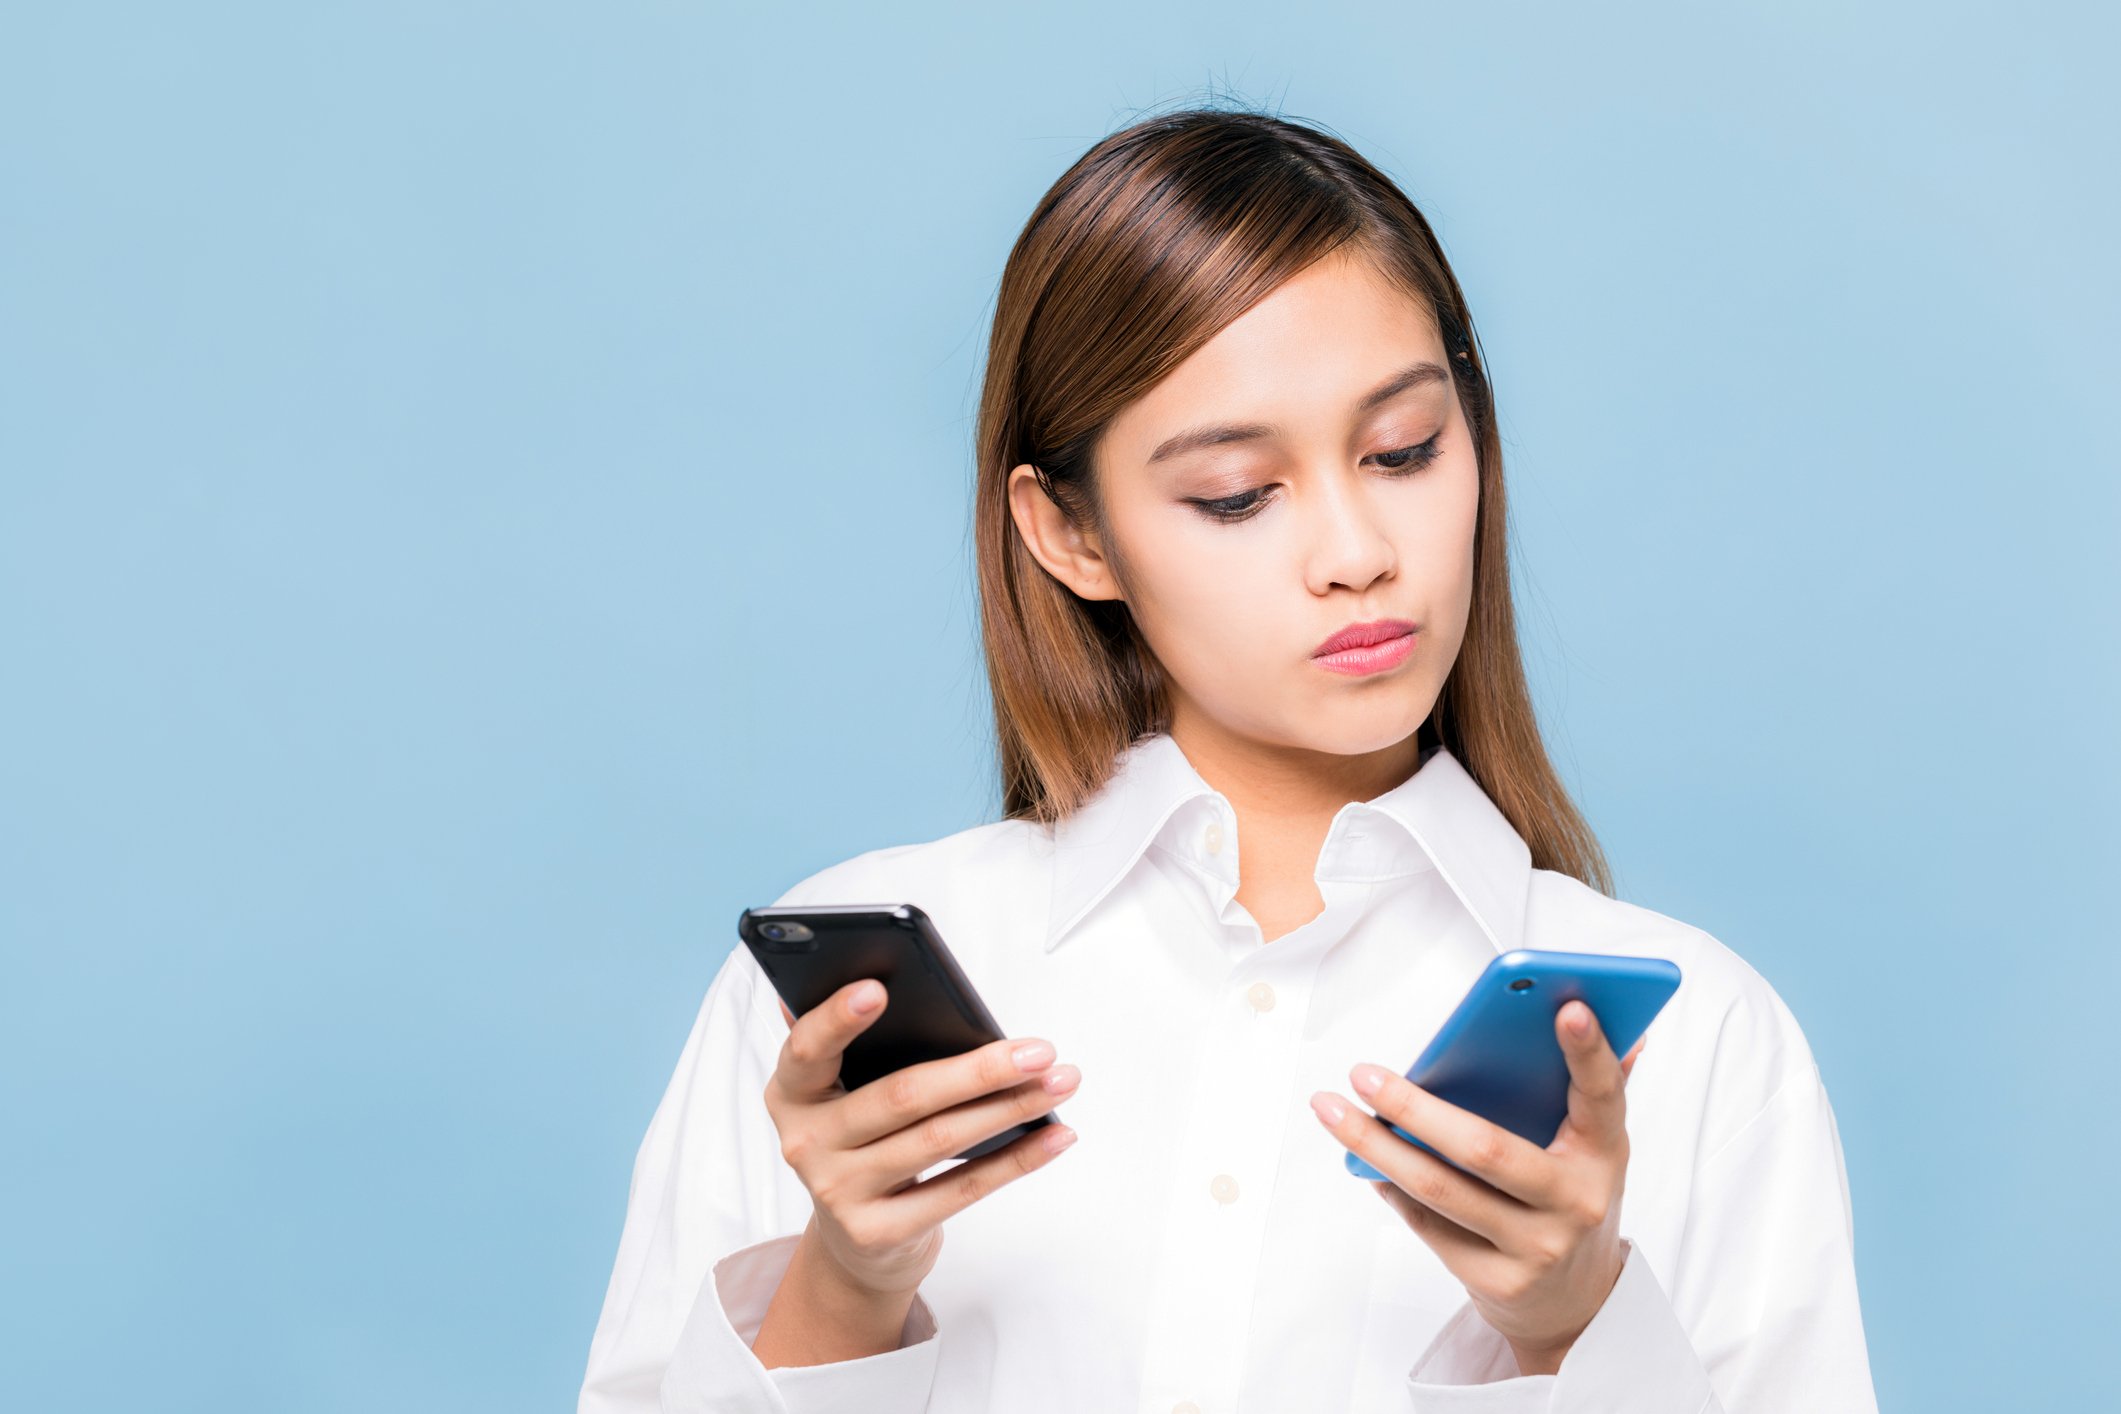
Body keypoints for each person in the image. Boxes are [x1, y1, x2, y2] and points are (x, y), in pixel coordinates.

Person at [576, 105, 1878, 1413]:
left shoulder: (1704, 1045)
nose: (1356, 548)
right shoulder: (839, 1010)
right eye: (1238, 493)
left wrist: (1571, 1334)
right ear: (1069, 532)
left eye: (1404, 450)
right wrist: (843, 1289)